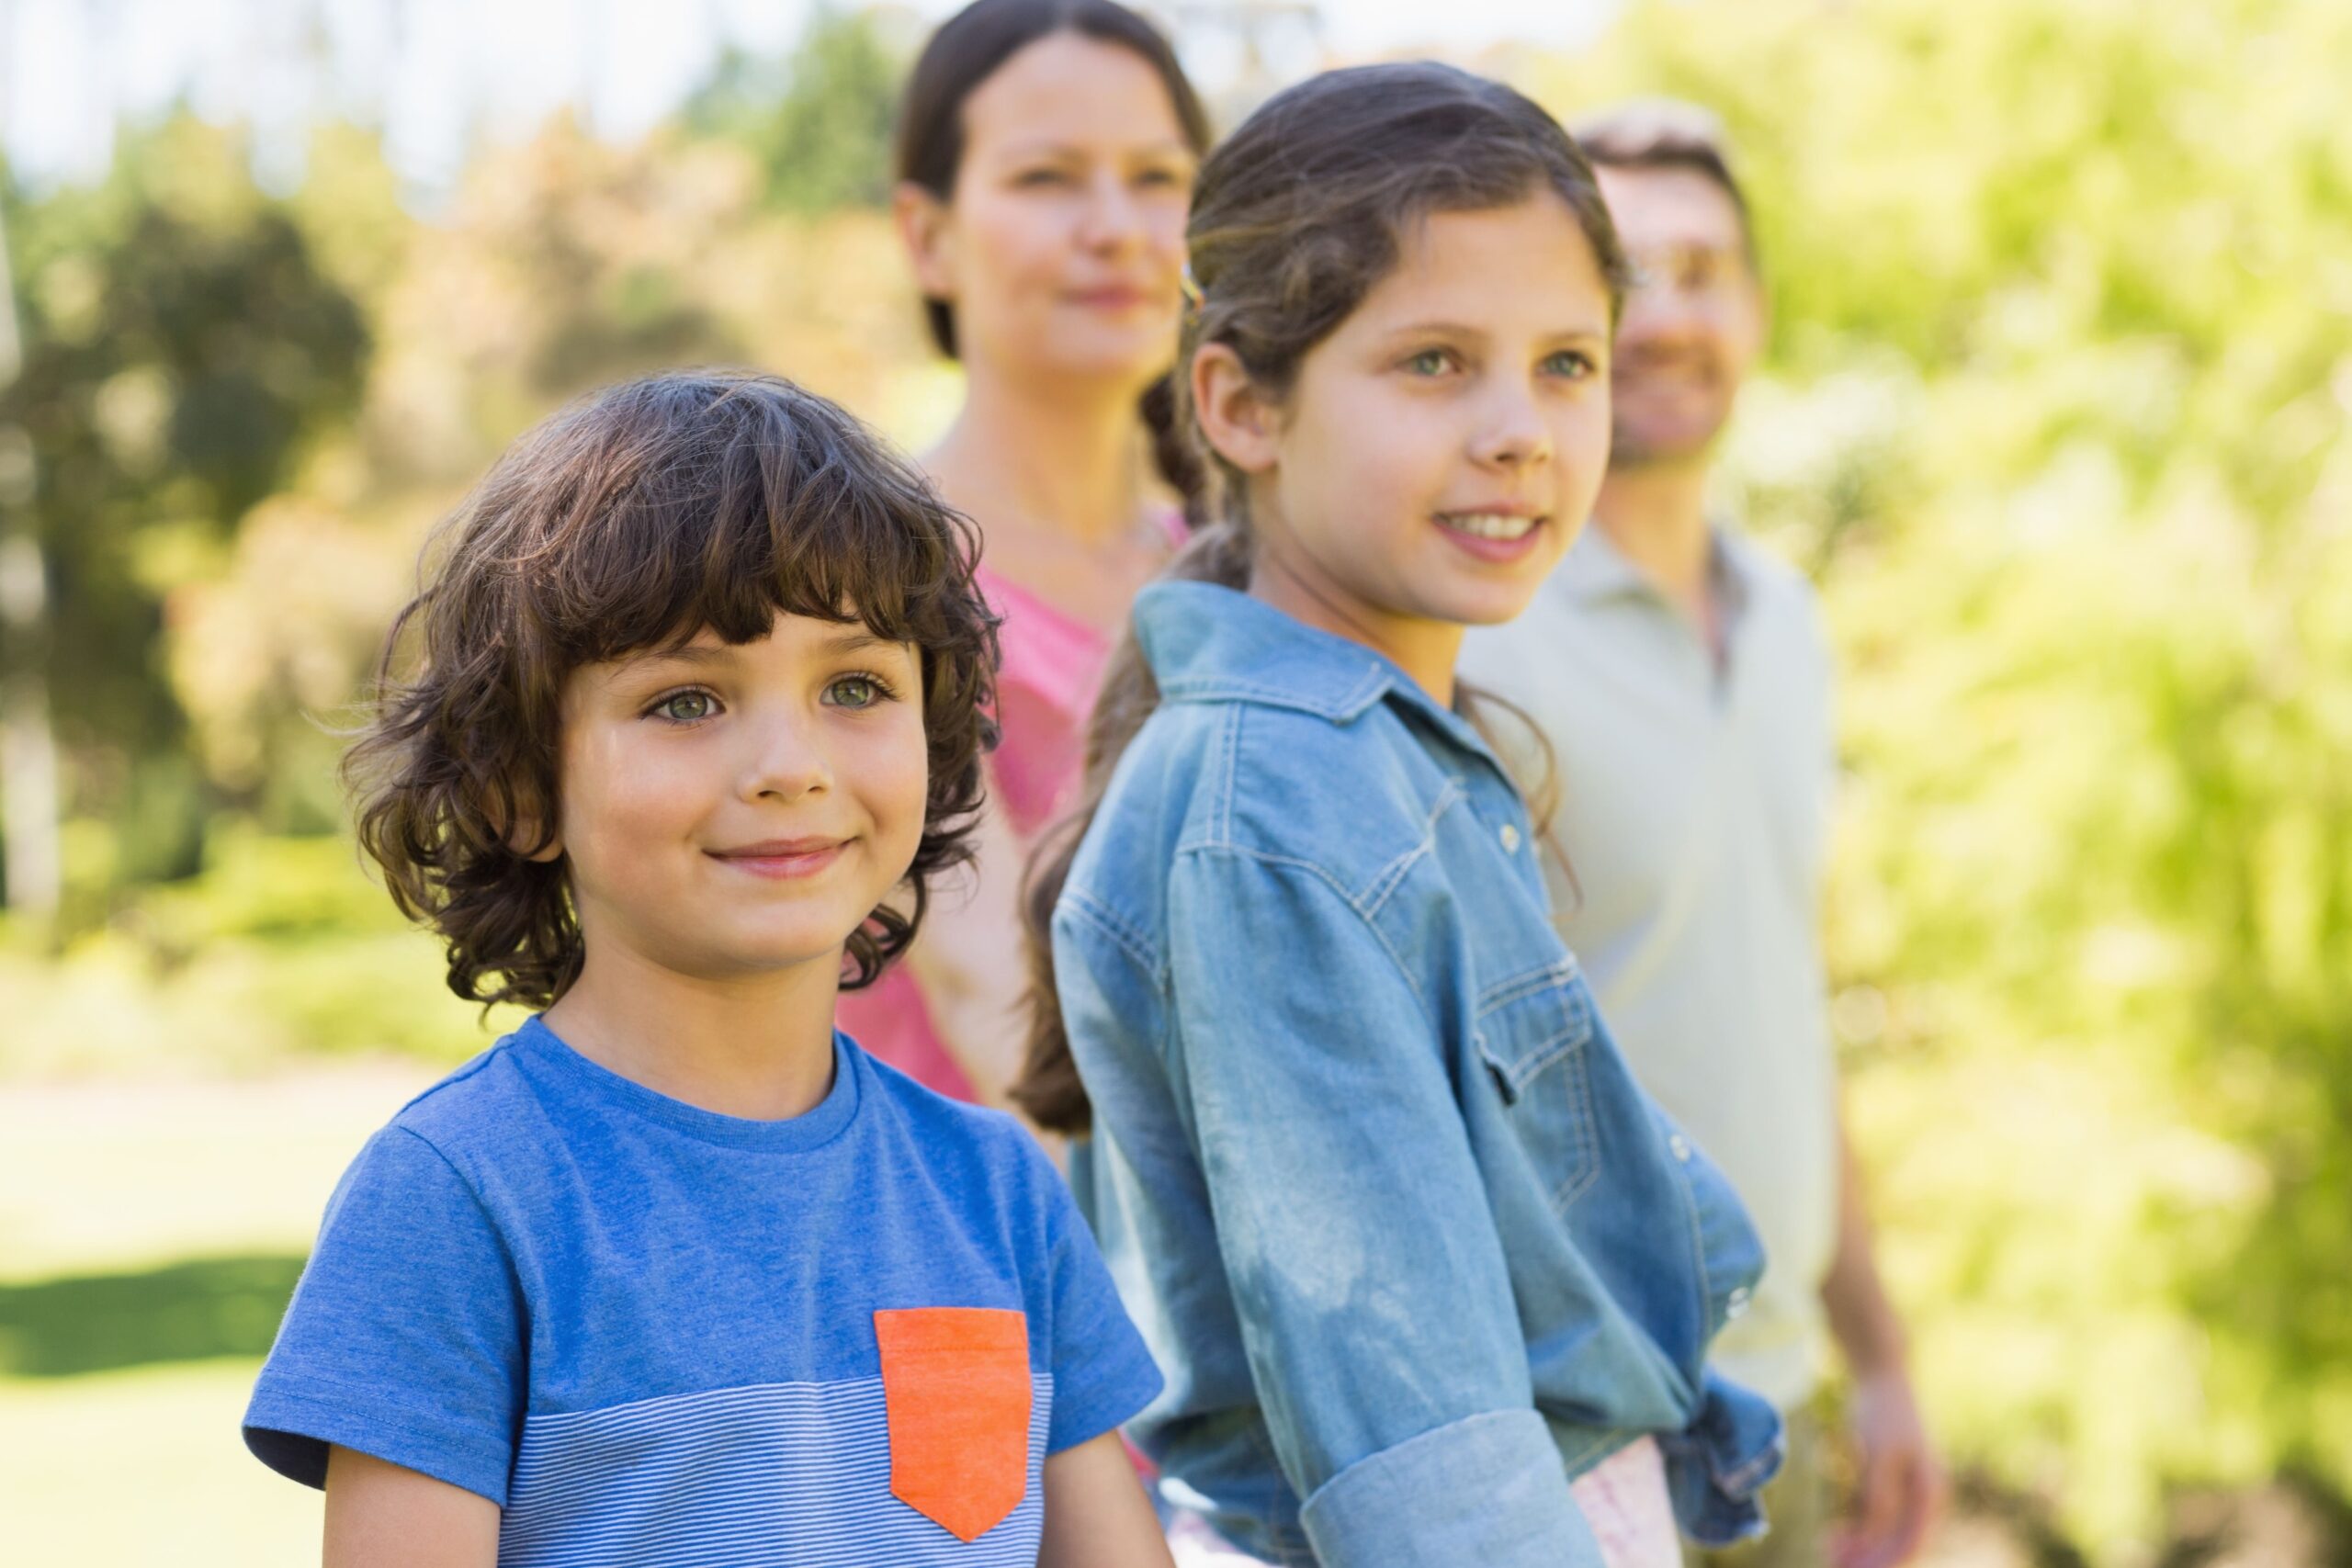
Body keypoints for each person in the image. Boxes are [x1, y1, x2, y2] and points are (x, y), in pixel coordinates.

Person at [1017, 65, 1783, 1568]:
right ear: (1240, 403)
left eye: (1569, 362)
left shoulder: (1383, 759)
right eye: (1434, 361)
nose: (1520, 429)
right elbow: (1419, 1447)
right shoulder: (1277, 812)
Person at [241, 372, 1171, 1567]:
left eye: (855, 686)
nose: (790, 762)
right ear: (520, 789)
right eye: (686, 699)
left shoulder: (997, 1190)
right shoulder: (455, 1198)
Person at [1458, 100, 1945, 1568]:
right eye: (1630, 274)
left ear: (1760, 305)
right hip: (1583, 1433)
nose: (1672, 312)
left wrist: (1882, 1351)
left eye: (1707, 266)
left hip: (1785, 1401)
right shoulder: (1480, 624)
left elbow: (1778, 993)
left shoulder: (1788, 615)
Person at [843, 0, 1209, 1106]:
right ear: (928, 236)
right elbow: (993, 1007)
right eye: (1047, 178)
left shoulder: (1239, 575)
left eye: (1155, 178)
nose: (1116, 227)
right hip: (958, 1249)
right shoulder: (862, 576)